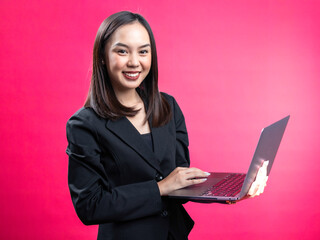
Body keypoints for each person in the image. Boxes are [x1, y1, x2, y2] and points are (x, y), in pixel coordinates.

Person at [66, 11, 268, 240]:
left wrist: (233, 191)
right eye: (122, 51)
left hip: (174, 234)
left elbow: (178, 184)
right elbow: (90, 206)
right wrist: (160, 188)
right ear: (102, 56)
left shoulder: (167, 106)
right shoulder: (84, 124)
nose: (134, 62)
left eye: (143, 51)